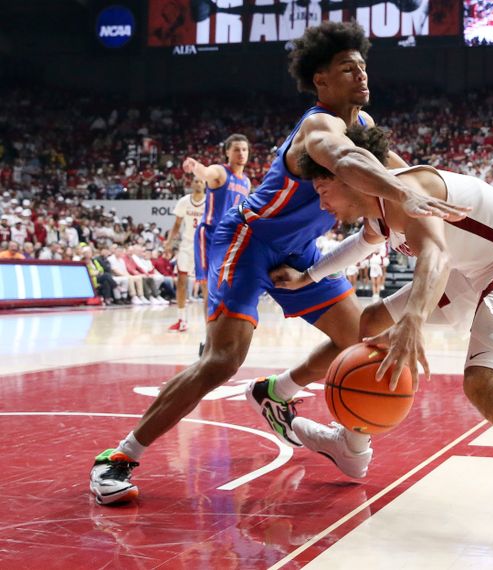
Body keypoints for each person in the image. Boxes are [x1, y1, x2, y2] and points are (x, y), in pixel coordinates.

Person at [88, 22, 467, 506]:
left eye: (363, 65)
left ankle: (280, 395)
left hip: (299, 249)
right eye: (347, 68)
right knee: (223, 359)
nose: (361, 73)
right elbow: (348, 161)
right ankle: (117, 458)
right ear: (320, 80)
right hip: (249, 239)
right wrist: (402, 193)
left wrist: (450, 198)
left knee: (362, 340)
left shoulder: (365, 123)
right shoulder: (318, 126)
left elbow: (407, 171)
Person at [270, 124, 493, 557]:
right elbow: (361, 247)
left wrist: (415, 319)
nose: (322, 202)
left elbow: (435, 256)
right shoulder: (375, 210)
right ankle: (351, 444)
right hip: (471, 272)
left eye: (324, 189)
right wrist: (308, 276)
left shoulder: (411, 188)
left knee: (483, 383)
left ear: (351, 179)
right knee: (366, 323)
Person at [185, 134, 251, 351]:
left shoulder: (246, 182)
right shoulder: (221, 173)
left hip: (230, 241)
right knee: (210, 290)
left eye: (244, 149)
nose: (241, 153)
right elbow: (206, 172)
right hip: (210, 236)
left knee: (227, 290)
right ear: (227, 152)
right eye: (236, 149)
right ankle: (209, 340)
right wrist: (195, 166)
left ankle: (222, 336)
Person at [164, 176, 206, 332]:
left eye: (201, 181)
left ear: (205, 184)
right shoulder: (184, 201)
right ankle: (181, 319)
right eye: (196, 181)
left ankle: (210, 322)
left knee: (205, 284)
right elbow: (176, 225)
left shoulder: (210, 202)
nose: (199, 183)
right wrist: (169, 242)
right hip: (187, 245)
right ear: (191, 184)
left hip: (203, 245)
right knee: (181, 281)